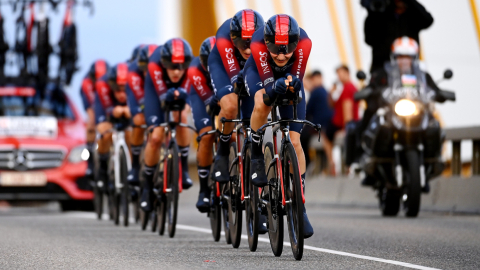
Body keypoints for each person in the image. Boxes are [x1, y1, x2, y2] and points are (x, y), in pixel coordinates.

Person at [244, 14, 314, 238]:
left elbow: (296, 80)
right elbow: (267, 92)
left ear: (295, 44)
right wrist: (276, 87)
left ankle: (299, 203)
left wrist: (292, 83)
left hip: (287, 79)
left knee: (295, 141)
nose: (282, 55)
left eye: (287, 49)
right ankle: (256, 151)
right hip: (259, 73)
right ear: (266, 43)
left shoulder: (305, 43)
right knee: (262, 104)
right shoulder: (257, 43)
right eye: (275, 48)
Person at [357, 36, 442, 186]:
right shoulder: (383, 74)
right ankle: (368, 159)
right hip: (393, 113)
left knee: (434, 125)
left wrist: (439, 93)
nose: (404, 60)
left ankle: (433, 160)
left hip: (416, 113)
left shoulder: (422, 76)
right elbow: (373, 86)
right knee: (375, 123)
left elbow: (433, 88)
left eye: (408, 57)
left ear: (414, 58)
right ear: (394, 57)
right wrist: (371, 91)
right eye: (400, 56)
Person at [208, 9, 264, 183]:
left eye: (251, 44)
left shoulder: (264, 37)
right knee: (231, 105)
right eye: (242, 43)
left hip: (249, 69)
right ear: (234, 39)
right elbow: (235, 80)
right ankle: (222, 152)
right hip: (223, 67)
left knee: (252, 118)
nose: (247, 50)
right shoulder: (224, 37)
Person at [141, 38, 193, 212]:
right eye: (172, 66)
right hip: (156, 93)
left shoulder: (189, 67)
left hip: (179, 92)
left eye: (181, 67)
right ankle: (147, 186)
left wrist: (182, 103)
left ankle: (183, 168)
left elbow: (186, 96)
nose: (177, 72)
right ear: (164, 63)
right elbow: (164, 98)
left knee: (182, 115)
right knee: (156, 136)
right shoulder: (155, 65)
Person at [187, 36, 217, 213]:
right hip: (202, 96)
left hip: (224, 93)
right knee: (206, 135)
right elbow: (209, 102)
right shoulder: (194, 69)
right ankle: (204, 189)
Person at [364, 0, 433, 72]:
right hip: (382, 70)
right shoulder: (382, 15)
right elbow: (369, 39)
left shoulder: (413, 16)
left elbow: (428, 20)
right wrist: (372, 11)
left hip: (408, 70)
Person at [93, 63, 131, 191]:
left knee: (133, 132)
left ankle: (131, 166)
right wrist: (113, 111)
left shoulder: (134, 83)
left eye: (124, 89)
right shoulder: (102, 85)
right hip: (105, 106)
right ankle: (103, 166)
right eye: (117, 89)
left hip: (126, 107)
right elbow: (109, 113)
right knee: (105, 131)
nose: (121, 94)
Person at [125, 44, 157, 186]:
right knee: (139, 120)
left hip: (156, 91)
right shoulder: (133, 72)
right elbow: (142, 102)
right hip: (138, 94)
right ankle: (135, 165)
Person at [301, 70, 335, 174]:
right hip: (327, 124)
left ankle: (307, 162)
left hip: (319, 125)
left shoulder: (316, 92)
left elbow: (306, 111)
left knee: (301, 136)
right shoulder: (324, 90)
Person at [79, 60, 109, 179]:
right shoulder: (86, 84)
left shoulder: (110, 81)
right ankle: (90, 160)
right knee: (91, 123)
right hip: (92, 101)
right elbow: (91, 107)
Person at [327, 65, 359, 149]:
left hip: (343, 125)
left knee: (324, 132)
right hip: (341, 123)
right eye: (338, 74)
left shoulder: (348, 89)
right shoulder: (346, 88)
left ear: (347, 73)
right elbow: (332, 105)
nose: (339, 76)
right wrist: (331, 93)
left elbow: (347, 111)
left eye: (341, 73)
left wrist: (345, 129)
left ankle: (331, 161)